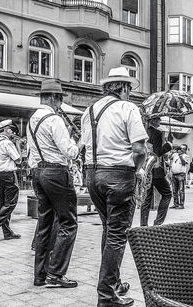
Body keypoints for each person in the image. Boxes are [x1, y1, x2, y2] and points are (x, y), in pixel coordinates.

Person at [81, 67, 147, 307]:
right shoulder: (128, 108)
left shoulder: (88, 111)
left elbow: (84, 147)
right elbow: (139, 149)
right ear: (124, 87)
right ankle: (107, 296)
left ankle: (114, 284)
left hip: (93, 175)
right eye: (129, 88)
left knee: (109, 231)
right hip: (119, 176)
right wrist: (138, 169)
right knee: (117, 235)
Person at [27, 79, 80, 288]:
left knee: (44, 223)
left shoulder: (33, 119)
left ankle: (39, 275)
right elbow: (70, 152)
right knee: (68, 222)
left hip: (38, 171)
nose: (60, 104)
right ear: (53, 98)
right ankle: (56, 273)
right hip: (56, 172)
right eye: (59, 99)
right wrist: (78, 142)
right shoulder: (54, 120)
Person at [140, 117, 173, 227]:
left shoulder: (142, 131)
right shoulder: (157, 133)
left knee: (146, 198)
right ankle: (158, 222)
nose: (160, 121)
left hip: (144, 168)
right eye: (158, 119)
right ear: (153, 120)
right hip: (156, 169)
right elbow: (157, 152)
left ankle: (143, 225)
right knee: (167, 193)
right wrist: (168, 145)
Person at [170, 144, 190, 209]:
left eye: (183, 149)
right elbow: (169, 158)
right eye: (180, 148)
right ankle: (175, 204)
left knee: (181, 190)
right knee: (174, 190)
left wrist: (180, 156)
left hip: (181, 175)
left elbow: (184, 163)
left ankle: (181, 205)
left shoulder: (186, 156)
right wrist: (173, 152)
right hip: (174, 174)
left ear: (185, 150)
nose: (181, 150)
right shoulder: (175, 155)